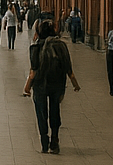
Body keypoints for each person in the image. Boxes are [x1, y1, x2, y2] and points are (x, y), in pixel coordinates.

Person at [23, 20, 81, 154]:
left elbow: (33, 72)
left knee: (41, 112)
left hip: (40, 85)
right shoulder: (61, 46)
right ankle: (54, 139)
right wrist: (75, 85)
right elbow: (69, 71)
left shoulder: (35, 48)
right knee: (55, 110)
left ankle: (44, 141)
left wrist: (27, 88)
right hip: (57, 84)